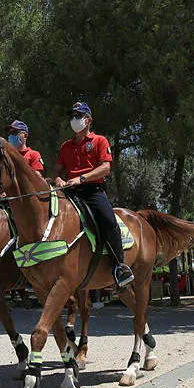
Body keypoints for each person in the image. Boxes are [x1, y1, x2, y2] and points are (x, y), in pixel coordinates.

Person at [53, 102, 134, 288]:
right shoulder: (65, 146)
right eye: (72, 116)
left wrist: (81, 178)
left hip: (92, 192)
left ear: (88, 120)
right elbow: (56, 171)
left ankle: (119, 267)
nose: (74, 119)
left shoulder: (100, 141)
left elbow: (105, 168)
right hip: (69, 193)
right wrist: (58, 181)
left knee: (109, 221)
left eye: (78, 115)